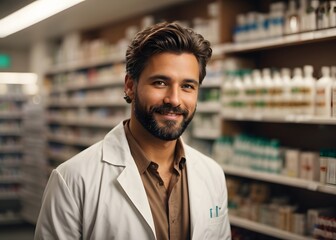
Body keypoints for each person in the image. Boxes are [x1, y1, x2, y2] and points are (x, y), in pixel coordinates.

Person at [35, 21, 231, 240]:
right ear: (130, 86)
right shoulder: (72, 179)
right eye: (159, 82)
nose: (174, 99)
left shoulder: (212, 174)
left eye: (187, 86)